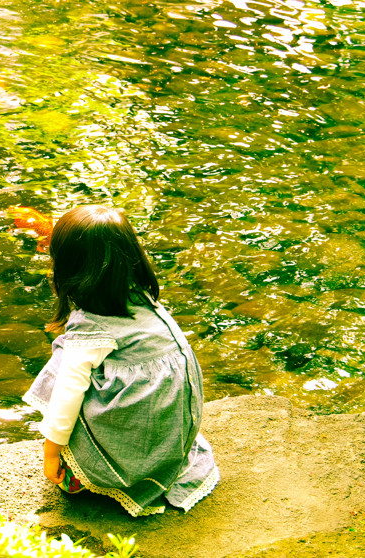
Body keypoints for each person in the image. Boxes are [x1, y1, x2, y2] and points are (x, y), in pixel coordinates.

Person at [23, 205, 219, 517]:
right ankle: (151, 461)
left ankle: (108, 473)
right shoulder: (143, 300)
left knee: (65, 360)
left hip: (131, 452)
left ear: (69, 266)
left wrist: (51, 454)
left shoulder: (89, 326)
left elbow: (67, 396)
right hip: (172, 442)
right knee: (74, 354)